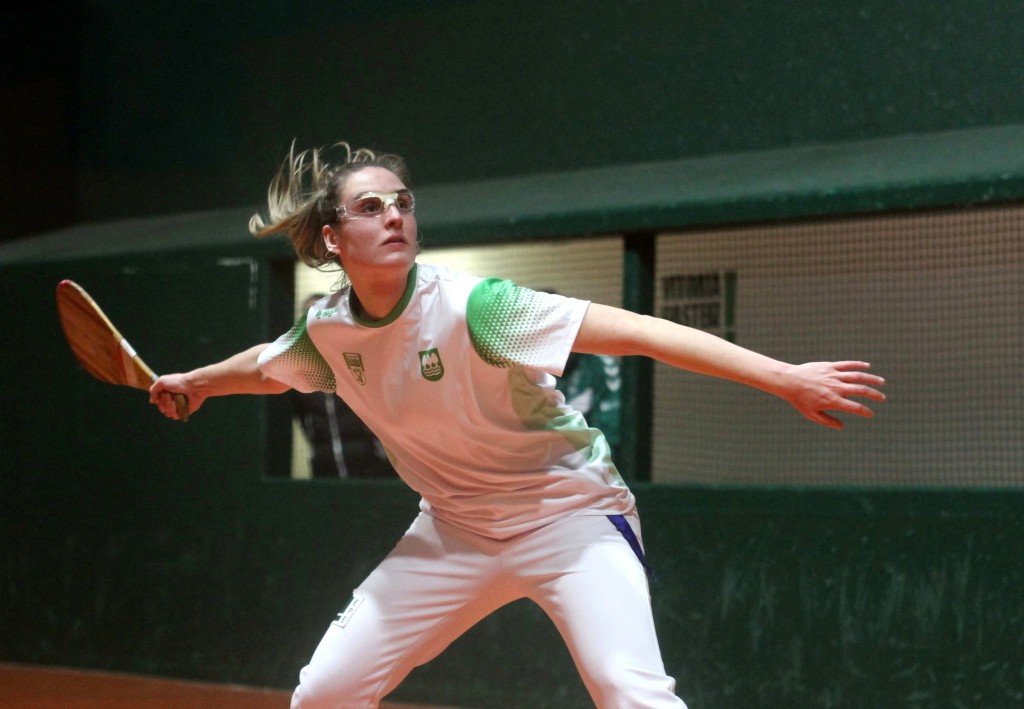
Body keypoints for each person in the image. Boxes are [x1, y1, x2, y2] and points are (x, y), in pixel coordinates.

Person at [149, 141, 885, 708]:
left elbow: (639, 332)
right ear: (333, 238)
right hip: (455, 530)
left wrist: (782, 375)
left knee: (629, 690)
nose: (396, 215)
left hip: (571, 518)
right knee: (324, 693)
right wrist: (199, 384)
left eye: (402, 201)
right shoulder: (331, 332)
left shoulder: (479, 307)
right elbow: (267, 365)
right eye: (371, 207)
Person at [291, 294, 396, 478]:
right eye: (309, 316)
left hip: (371, 467)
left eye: (321, 315)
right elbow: (300, 416)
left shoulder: (357, 358)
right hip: (324, 467)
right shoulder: (297, 370)